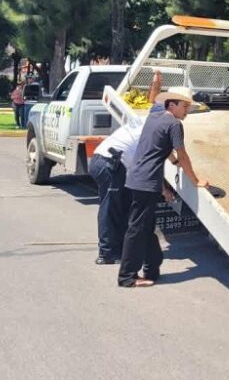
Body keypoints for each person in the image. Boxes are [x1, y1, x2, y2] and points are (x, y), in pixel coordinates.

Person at [118, 86, 208, 288]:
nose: (187, 111)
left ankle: (152, 269)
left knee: (147, 228)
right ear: (172, 105)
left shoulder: (155, 115)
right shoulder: (174, 125)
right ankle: (126, 277)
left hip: (137, 177)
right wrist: (195, 180)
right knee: (137, 229)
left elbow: (160, 145)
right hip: (147, 182)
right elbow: (182, 154)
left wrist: (156, 82)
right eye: (184, 106)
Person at [89, 72, 166, 265]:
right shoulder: (155, 128)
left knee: (122, 207)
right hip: (109, 162)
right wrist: (164, 187)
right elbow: (154, 161)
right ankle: (106, 253)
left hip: (115, 163)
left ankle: (120, 249)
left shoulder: (153, 117)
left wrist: (156, 81)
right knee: (110, 208)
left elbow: (153, 99)